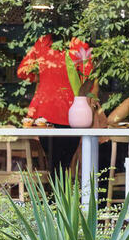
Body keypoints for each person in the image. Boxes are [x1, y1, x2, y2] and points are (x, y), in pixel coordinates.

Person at [17, 35, 95, 175]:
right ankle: (60, 194)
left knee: (53, 162)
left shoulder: (43, 42)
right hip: (72, 111)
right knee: (64, 163)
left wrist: (41, 78)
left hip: (46, 110)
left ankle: (54, 194)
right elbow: (88, 79)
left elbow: (22, 72)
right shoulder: (78, 44)